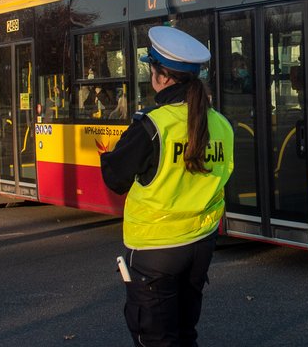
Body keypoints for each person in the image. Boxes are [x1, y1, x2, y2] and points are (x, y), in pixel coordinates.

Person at [100, 26, 234, 346]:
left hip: (155, 251)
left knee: (157, 338)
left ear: (161, 76)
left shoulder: (151, 125)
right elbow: (223, 173)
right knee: (185, 333)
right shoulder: (221, 124)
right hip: (201, 243)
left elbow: (115, 179)